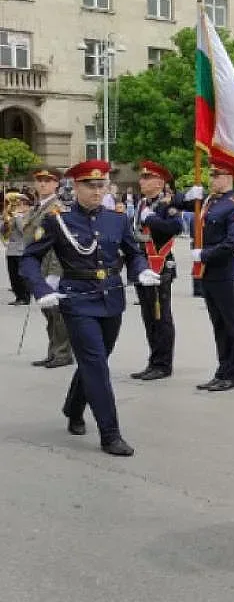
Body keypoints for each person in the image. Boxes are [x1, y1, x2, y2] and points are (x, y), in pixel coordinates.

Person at [20, 159, 160, 456]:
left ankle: (73, 407)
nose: (97, 191)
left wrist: (141, 271)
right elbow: (29, 258)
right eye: (90, 185)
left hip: (111, 298)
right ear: (76, 186)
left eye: (101, 185)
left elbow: (133, 253)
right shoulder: (58, 219)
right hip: (77, 300)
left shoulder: (117, 219)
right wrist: (42, 288)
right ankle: (110, 433)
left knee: (95, 359)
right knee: (96, 363)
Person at [191, 154, 234, 392]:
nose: (211, 178)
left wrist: (204, 255)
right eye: (211, 174)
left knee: (233, 325)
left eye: (216, 175)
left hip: (224, 272)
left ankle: (233, 374)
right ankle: (222, 370)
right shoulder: (209, 202)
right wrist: (187, 196)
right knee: (219, 325)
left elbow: (233, 242)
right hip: (209, 274)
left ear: (228, 177)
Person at [129, 160, 185, 381]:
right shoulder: (143, 203)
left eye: (147, 178)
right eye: (141, 177)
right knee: (148, 316)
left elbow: (175, 227)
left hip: (160, 265)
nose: (141, 181)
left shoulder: (165, 204)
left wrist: (151, 219)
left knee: (161, 316)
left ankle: (163, 364)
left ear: (160, 182)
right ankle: (153, 360)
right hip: (143, 265)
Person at [21, 167, 74, 368]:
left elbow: (58, 244)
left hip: (52, 268)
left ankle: (62, 353)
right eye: (40, 180)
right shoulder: (38, 207)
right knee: (49, 314)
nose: (42, 184)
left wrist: (54, 273)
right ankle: (53, 351)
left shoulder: (56, 208)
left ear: (56, 184)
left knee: (57, 314)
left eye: (48, 181)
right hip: (38, 267)